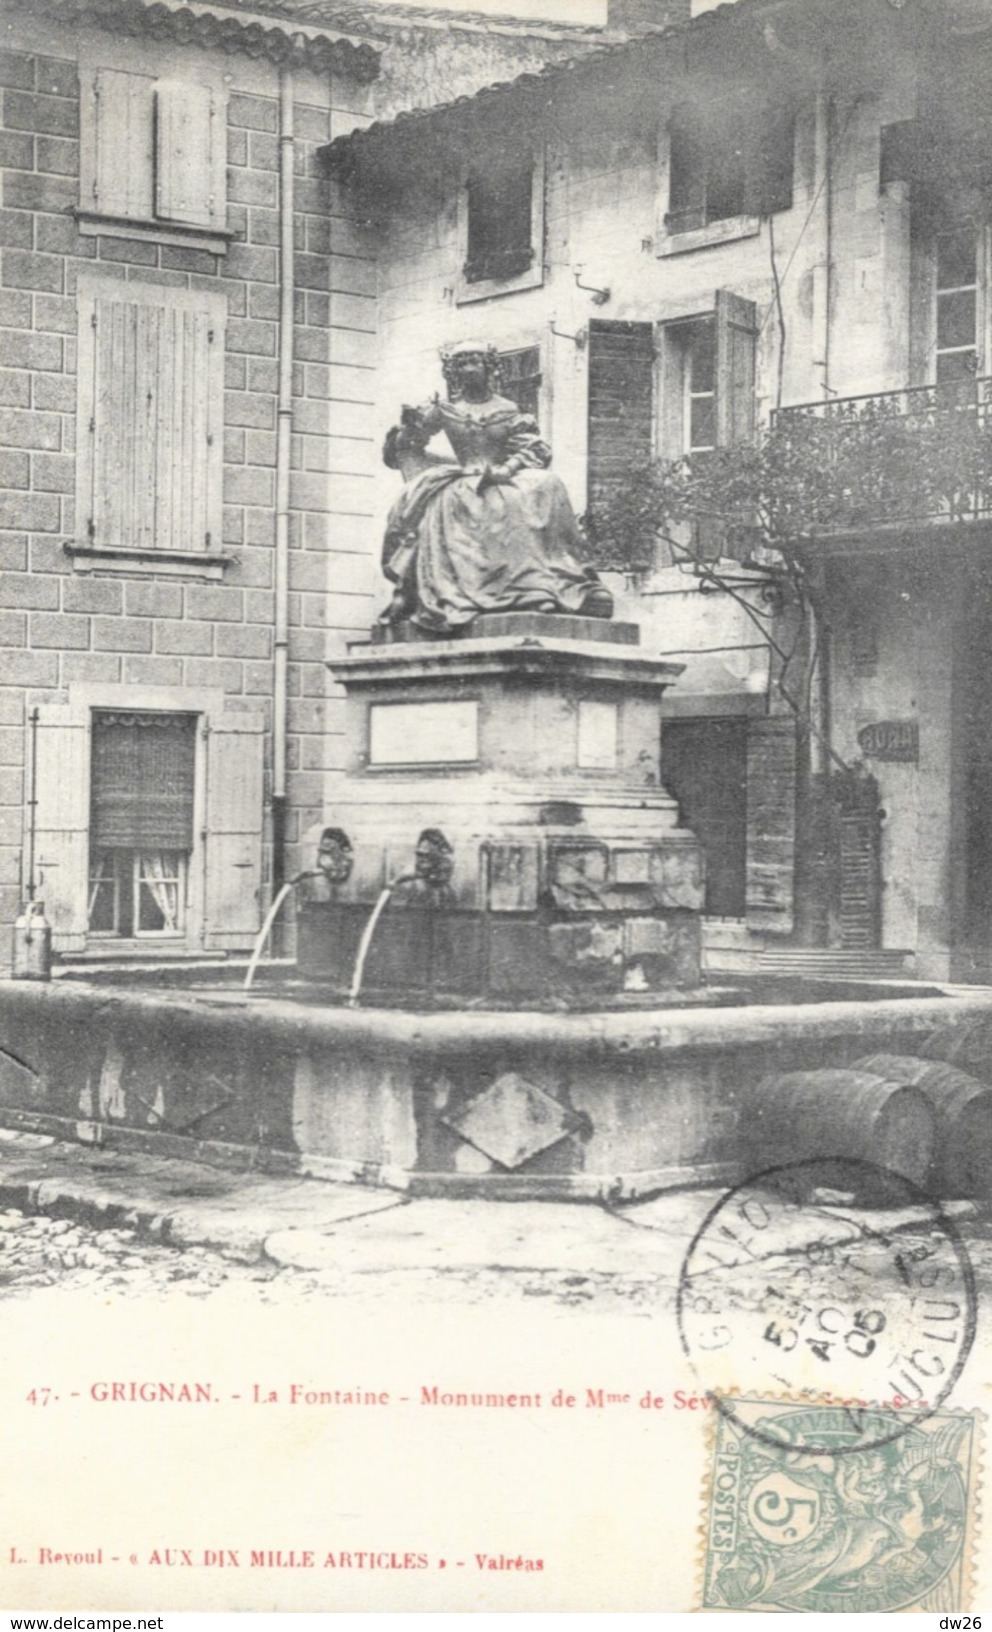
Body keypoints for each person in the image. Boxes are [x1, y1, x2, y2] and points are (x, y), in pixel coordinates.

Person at [378, 341, 613, 633]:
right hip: (462, 481)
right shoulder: (445, 409)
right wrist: (411, 426)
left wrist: (508, 468)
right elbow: (406, 448)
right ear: (453, 372)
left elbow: (533, 448)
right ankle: (514, 592)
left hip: (503, 474)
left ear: (489, 367)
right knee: (479, 502)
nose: (469, 369)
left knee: (545, 483)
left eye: (476, 362)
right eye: (462, 364)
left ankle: (550, 584)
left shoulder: (508, 409)